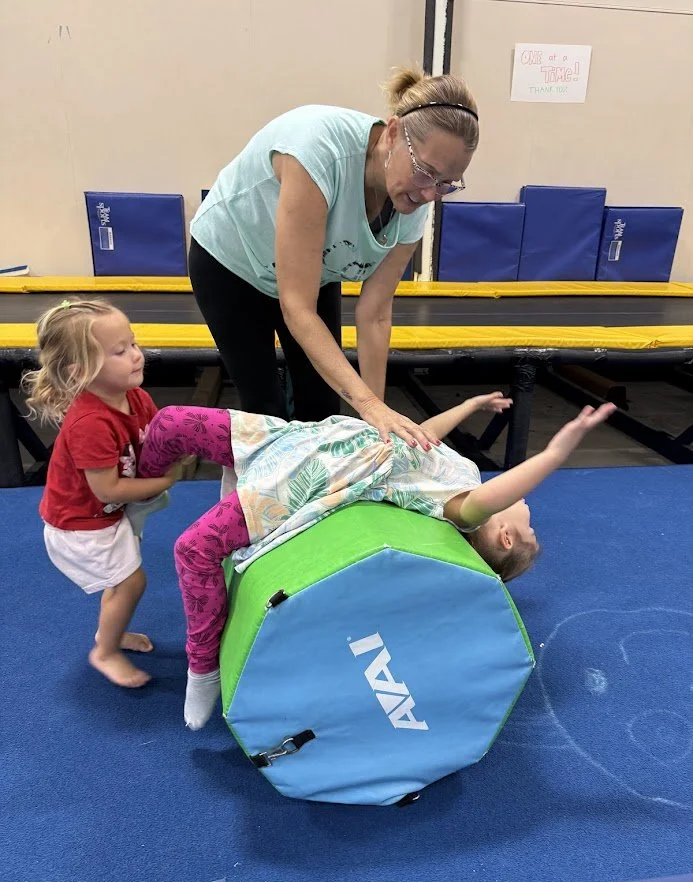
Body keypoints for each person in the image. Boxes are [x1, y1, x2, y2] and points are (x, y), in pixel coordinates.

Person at [135, 396, 616, 730]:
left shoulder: (460, 507)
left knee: (193, 549)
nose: (532, 513)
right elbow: (421, 437)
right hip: (310, 439)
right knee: (172, 422)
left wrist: (553, 454)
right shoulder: (464, 470)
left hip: (314, 473)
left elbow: (499, 492)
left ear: (504, 534)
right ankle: (138, 495)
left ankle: (203, 667)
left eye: (528, 523)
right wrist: (469, 408)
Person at [189, 65, 479, 449]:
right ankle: (260, 500)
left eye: (447, 184)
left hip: (313, 273)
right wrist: (367, 402)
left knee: (322, 404)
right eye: (426, 172)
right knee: (264, 409)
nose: (430, 194)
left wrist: (375, 417)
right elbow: (297, 308)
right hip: (230, 261)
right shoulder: (318, 153)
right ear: (392, 133)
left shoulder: (417, 199)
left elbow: (375, 312)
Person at [23, 300, 183, 689]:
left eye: (133, 343)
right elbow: (107, 487)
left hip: (109, 512)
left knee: (120, 581)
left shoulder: (136, 397)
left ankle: (109, 633)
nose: (135, 355)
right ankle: (105, 651)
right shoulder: (90, 422)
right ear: (81, 371)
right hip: (80, 523)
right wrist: (164, 482)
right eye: (119, 351)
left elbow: (154, 438)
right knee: (130, 582)